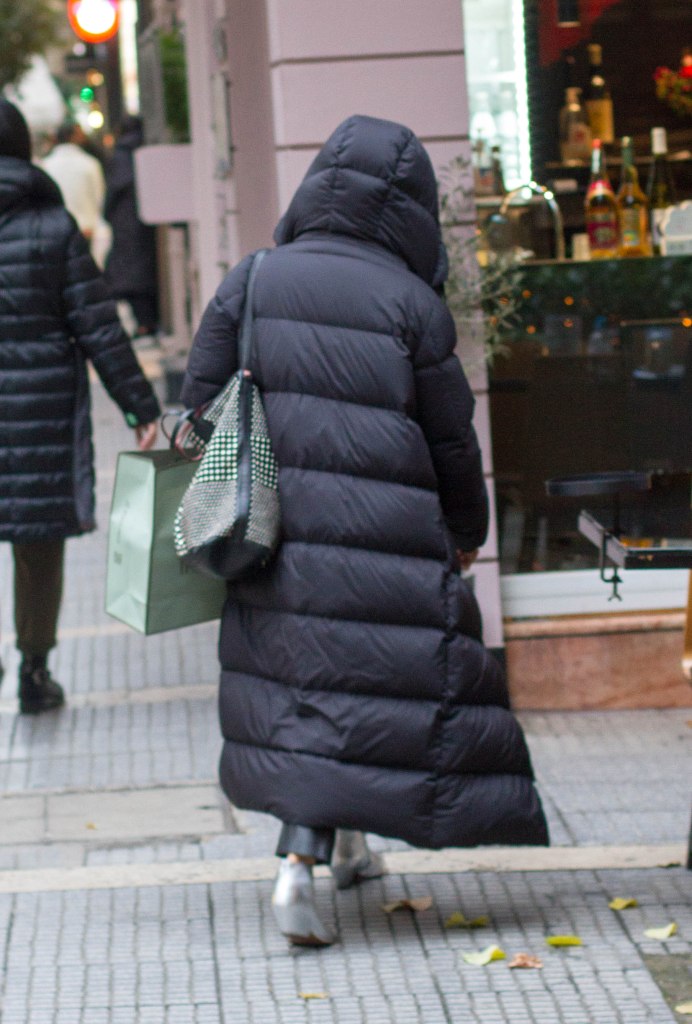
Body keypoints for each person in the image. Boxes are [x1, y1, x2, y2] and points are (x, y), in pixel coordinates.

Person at [180, 114, 548, 947]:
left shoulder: (255, 278)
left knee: (307, 690)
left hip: (274, 537)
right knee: (372, 686)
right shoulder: (413, 305)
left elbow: (201, 406)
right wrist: (467, 527)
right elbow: (451, 439)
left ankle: (325, 856)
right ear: (411, 209)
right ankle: (310, 857)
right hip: (389, 538)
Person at [0, 99, 160, 714]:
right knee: (38, 542)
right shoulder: (51, 226)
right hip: (37, 412)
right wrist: (140, 406)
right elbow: (99, 325)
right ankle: (34, 671)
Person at [104, 116, 160, 339]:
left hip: (127, 222)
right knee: (144, 271)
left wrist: (108, 213)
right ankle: (149, 321)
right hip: (147, 221)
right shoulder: (147, 149)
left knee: (130, 275)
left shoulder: (121, 155)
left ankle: (144, 322)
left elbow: (114, 190)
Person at [42, 120, 111, 267]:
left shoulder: (46, 165)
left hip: (55, 235)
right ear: (74, 136)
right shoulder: (90, 164)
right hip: (88, 232)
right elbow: (100, 199)